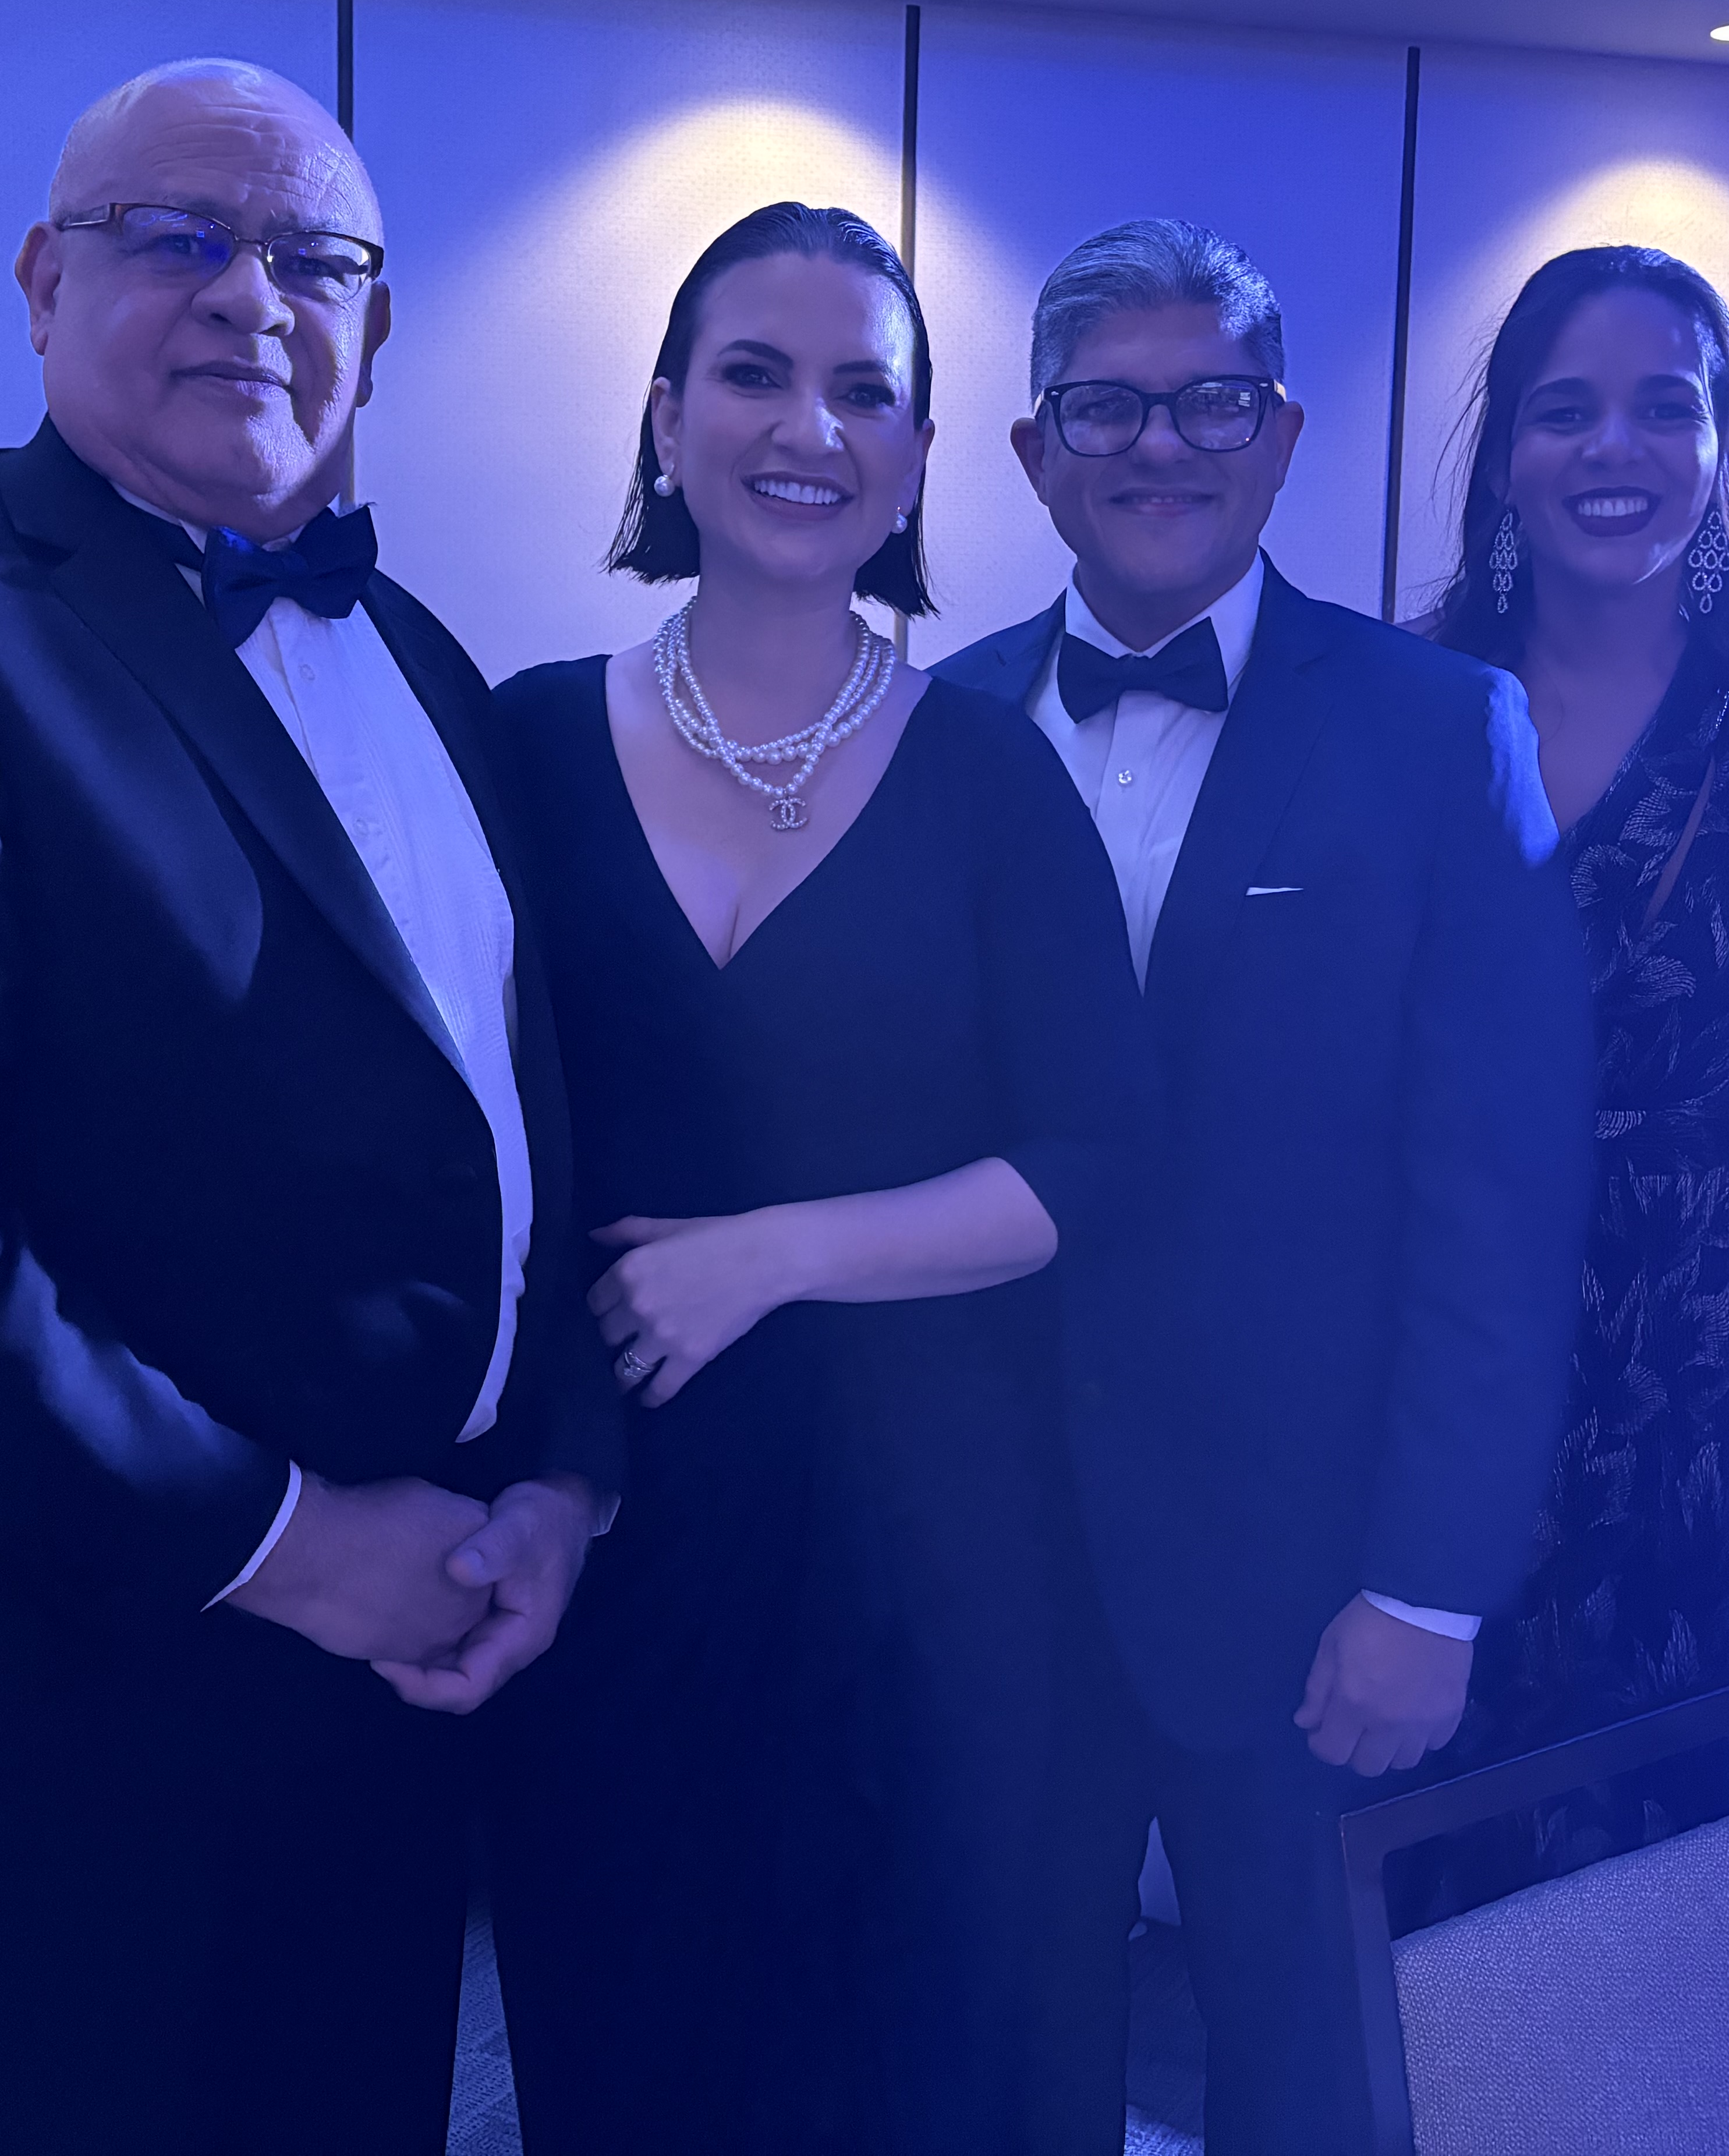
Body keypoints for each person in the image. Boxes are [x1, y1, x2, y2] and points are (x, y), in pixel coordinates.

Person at [0, 59, 618, 2153]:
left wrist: (558, 1478)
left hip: (399, 1689)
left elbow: (514, 1125)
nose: (249, 294)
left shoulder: (428, 658)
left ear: (373, 323)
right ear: (42, 281)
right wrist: (292, 1546)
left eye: (312, 258)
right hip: (61, 1707)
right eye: (178, 236)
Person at [476, 202, 1153, 2156]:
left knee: (913, 2057)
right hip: (616, 1515)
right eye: (756, 375)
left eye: (868, 391)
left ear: (920, 457)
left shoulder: (993, 775)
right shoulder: (521, 740)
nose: (811, 428)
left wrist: (772, 1254)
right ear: (667, 417)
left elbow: (1099, 1160)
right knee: (632, 2030)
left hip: (935, 1540)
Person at [934, 218, 1595, 2154]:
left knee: (1311, 2082)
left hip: (1309, 1578)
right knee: (993, 2052)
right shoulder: (931, 730)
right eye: (1106, 407)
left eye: (1212, 400)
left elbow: (1502, 1197)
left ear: (1284, 433)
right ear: (1034, 449)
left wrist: (1428, 1585)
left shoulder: (1439, 729)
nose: (1161, 443)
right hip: (993, 1558)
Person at [1411, 244, 1729, 1892]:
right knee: (1465, 1778)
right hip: (1469, 1302)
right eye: (1566, 411)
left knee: (1719, 1799)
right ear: (1505, 458)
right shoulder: (1416, 698)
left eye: (1667, 407)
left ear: (1722, 445)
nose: (1617, 448)